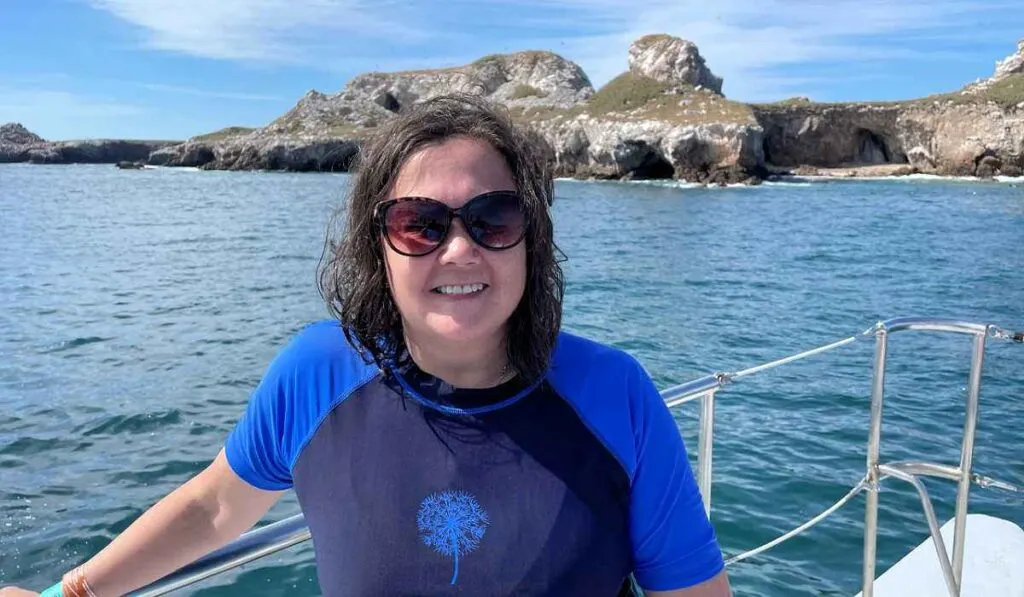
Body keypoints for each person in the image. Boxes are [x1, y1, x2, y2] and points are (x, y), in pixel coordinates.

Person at [1, 93, 731, 597]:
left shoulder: (614, 394)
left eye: (493, 217)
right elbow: (215, 506)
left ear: (532, 239)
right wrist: (77, 588)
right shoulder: (317, 372)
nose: (458, 250)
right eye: (421, 223)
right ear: (377, 245)